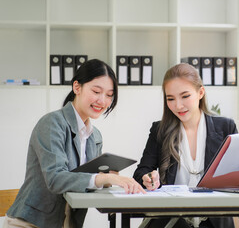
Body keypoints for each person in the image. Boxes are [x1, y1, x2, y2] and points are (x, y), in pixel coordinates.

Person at [4, 59, 145, 228]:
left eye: (109, 95)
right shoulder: (52, 124)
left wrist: (109, 180)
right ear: (77, 87)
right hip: (30, 224)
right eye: (96, 91)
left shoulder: (95, 136)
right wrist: (103, 177)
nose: (103, 101)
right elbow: (56, 178)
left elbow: (83, 180)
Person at [133, 63, 239, 228]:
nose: (178, 106)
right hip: (171, 221)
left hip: (214, 221)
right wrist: (148, 178)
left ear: (200, 92)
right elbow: (140, 173)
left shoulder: (225, 128)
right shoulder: (159, 130)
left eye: (185, 96)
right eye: (170, 99)